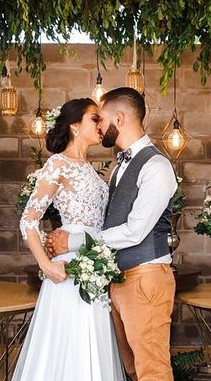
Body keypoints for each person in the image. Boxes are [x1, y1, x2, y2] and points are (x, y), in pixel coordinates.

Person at [47, 87, 178, 381]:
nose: (98, 126)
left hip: (145, 278)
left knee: (152, 369)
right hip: (119, 280)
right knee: (130, 369)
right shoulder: (120, 165)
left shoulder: (156, 166)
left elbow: (134, 231)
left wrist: (74, 240)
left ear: (118, 118)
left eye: (100, 119)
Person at [12, 98, 125, 381]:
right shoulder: (58, 164)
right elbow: (28, 220)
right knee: (68, 351)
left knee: (93, 347)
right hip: (70, 271)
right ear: (75, 125)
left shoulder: (90, 168)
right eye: (95, 119)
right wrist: (47, 266)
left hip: (95, 269)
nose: (102, 125)